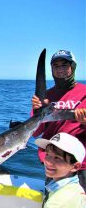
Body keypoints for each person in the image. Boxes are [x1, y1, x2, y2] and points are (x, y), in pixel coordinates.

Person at [31, 49, 86, 190]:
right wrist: (38, 112)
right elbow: (35, 133)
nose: (60, 69)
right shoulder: (46, 96)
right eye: (56, 66)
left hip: (79, 164)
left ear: (72, 67)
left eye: (64, 65)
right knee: (53, 204)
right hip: (52, 163)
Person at [35, 132, 86, 208]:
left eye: (57, 158)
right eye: (47, 154)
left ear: (75, 166)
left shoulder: (57, 203)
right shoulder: (75, 188)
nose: (48, 161)